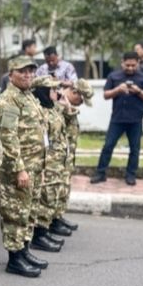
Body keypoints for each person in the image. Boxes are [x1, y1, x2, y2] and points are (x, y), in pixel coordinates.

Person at [0, 57, 54, 278]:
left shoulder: (27, 97)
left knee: (29, 211)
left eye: (31, 71)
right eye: (23, 71)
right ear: (11, 75)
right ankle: (15, 257)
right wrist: (19, 168)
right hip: (19, 169)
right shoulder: (8, 101)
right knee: (16, 213)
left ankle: (25, 250)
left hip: (34, 167)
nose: (28, 75)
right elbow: (7, 138)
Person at [90, 52, 143, 186]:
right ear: (122, 63)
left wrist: (138, 91)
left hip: (136, 119)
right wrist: (118, 90)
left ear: (138, 63)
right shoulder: (114, 76)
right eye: (127, 65)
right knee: (108, 146)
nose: (130, 68)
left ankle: (131, 175)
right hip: (117, 119)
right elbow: (106, 95)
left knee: (134, 149)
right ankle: (100, 173)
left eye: (133, 65)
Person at [32, 76, 76, 240]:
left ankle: (48, 226)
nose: (56, 92)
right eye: (52, 90)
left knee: (54, 195)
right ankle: (40, 233)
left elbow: (67, 122)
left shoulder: (52, 109)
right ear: (42, 91)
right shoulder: (40, 112)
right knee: (46, 198)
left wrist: (64, 102)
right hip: (48, 163)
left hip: (57, 162)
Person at [57, 79, 93, 232]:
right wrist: (68, 109)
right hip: (57, 157)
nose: (81, 103)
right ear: (74, 92)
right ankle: (51, 221)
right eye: (81, 99)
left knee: (63, 188)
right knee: (56, 189)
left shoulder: (67, 104)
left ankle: (57, 216)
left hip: (67, 156)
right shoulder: (58, 103)